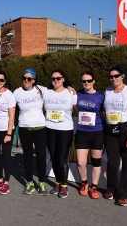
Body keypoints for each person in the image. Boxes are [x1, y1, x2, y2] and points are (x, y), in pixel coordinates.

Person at [103, 66, 127, 206]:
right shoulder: (107, 90)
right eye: (111, 76)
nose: (113, 79)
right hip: (111, 131)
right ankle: (111, 188)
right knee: (112, 162)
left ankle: (124, 195)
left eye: (116, 76)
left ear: (122, 76)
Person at [13, 68, 49, 196]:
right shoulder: (17, 92)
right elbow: (9, 105)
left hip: (40, 127)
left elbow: (57, 91)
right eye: (24, 78)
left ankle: (41, 182)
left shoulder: (41, 90)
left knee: (41, 157)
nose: (26, 81)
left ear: (33, 80)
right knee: (27, 156)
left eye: (29, 79)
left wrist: (70, 88)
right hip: (24, 128)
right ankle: (29, 182)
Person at [45, 69, 77, 198]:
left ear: (63, 79)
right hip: (49, 128)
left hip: (65, 129)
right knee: (54, 157)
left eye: (58, 78)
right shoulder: (46, 92)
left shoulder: (70, 93)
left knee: (61, 158)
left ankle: (64, 185)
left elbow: (79, 109)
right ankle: (58, 182)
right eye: (53, 79)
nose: (56, 81)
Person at [75, 71, 105, 199]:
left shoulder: (101, 96)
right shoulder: (78, 93)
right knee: (81, 163)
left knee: (96, 162)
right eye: (84, 81)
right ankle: (84, 184)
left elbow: (104, 111)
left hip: (97, 131)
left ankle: (94, 187)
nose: (86, 83)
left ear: (94, 81)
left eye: (89, 81)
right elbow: (75, 106)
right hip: (82, 131)